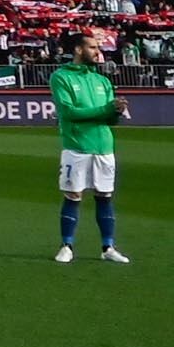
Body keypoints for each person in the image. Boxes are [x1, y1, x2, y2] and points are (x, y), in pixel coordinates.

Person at [50, 28, 130, 264]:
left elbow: (109, 120)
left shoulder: (102, 80)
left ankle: (108, 247)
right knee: (73, 195)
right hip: (76, 145)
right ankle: (67, 245)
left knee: (105, 196)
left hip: (104, 146)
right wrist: (107, 110)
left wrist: (116, 111)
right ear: (78, 49)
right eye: (93, 47)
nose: (98, 52)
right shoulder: (61, 77)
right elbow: (68, 112)